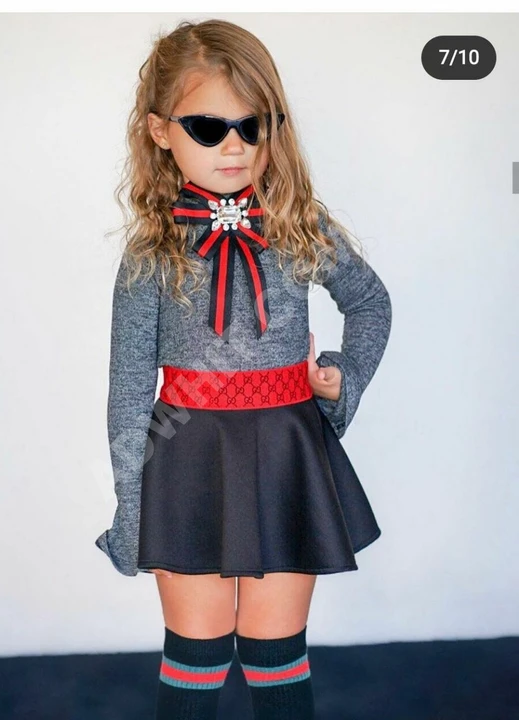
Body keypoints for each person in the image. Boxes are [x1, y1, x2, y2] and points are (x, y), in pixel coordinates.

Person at [95, 18, 392, 720]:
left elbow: (370, 302)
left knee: (275, 652)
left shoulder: (299, 226)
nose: (233, 145)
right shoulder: (150, 253)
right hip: (184, 453)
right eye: (207, 127)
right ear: (160, 131)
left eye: (251, 126)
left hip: (287, 450)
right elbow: (129, 388)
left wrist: (342, 375)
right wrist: (133, 505)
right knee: (196, 654)